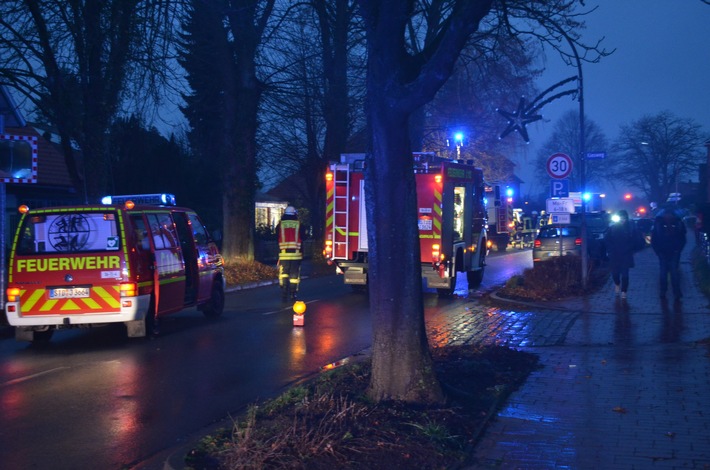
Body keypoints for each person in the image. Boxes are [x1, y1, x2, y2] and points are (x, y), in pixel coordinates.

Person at [603, 210, 644, 300]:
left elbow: (636, 240)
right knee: (615, 274)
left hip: (626, 255)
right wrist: (610, 249)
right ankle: (617, 284)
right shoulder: (612, 228)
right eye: (620, 218)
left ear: (626, 218)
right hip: (614, 255)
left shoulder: (630, 229)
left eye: (624, 218)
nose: (622, 220)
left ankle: (624, 291)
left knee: (625, 275)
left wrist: (631, 248)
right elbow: (607, 240)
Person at [651, 207, 687, 301]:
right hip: (666, 251)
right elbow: (654, 239)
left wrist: (677, 249)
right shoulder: (675, 223)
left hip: (670, 251)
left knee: (668, 272)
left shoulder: (660, 224)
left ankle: (669, 292)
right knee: (670, 272)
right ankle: (672, 292)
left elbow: (682, 239)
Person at [277, 206, 303, 300]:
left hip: (283, 254)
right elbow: (303, 236)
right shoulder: (298, 224)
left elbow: (276, 236)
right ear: (294, 214)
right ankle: (293, 293)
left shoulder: (280, 224)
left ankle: (284, 292)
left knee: (284, 273)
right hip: (296, 254)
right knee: (294, 275)